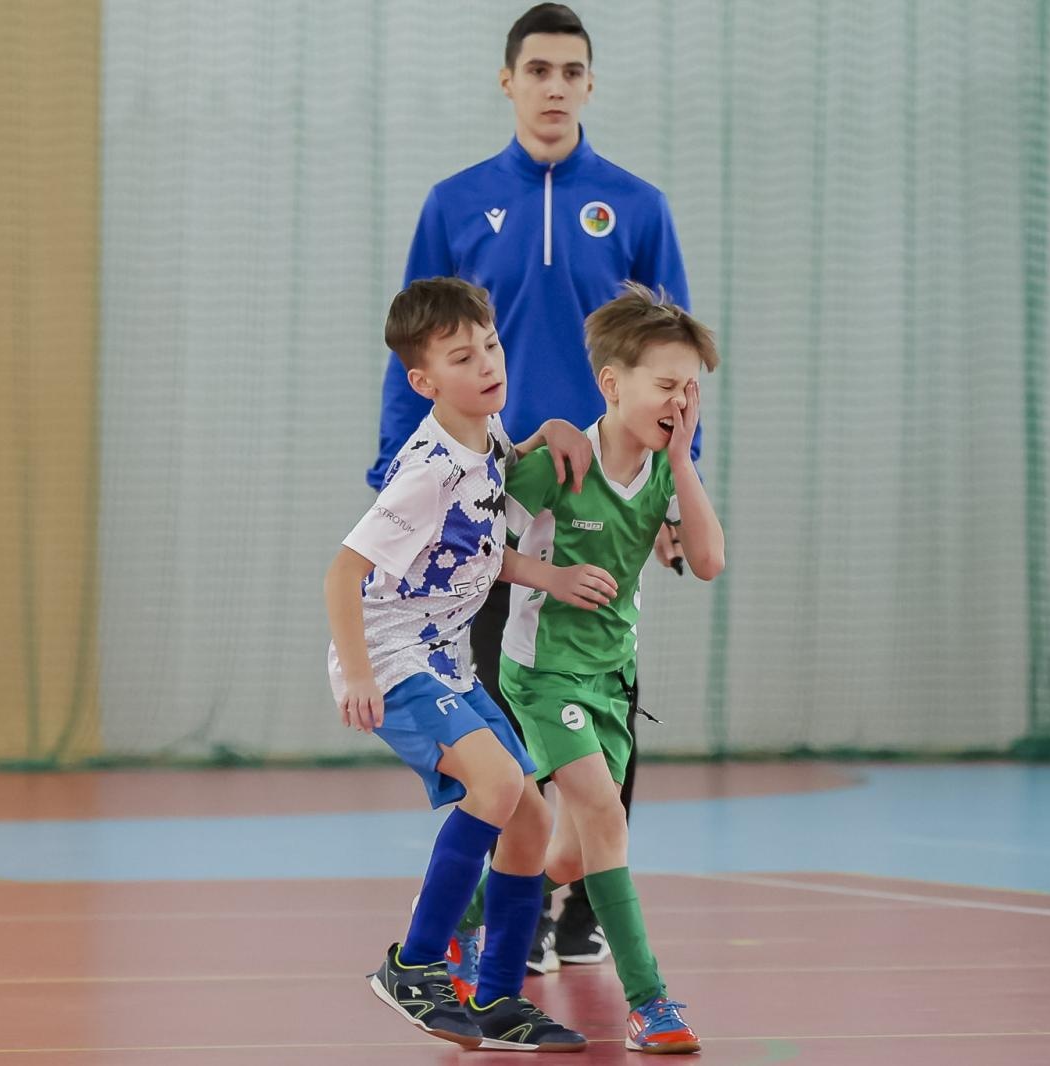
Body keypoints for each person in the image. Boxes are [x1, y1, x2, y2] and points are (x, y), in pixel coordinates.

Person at [368, 2, 694, 978]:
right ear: (508, 81)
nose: (555, 86)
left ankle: (582, 902)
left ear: (590, 85)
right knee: (494, 691)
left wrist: (677, 492)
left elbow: (674, 361)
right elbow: (412, 347)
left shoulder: (636, 206)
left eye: (572, 71)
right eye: (538, 70)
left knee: (596, 687)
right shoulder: (456, 203)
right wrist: (393, 469)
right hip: (495, 485)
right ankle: (499, 903)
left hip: (606, 491)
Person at [326, 277, 617, 1051]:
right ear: (425, 382)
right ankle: (413, 964)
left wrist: (550, 567)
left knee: (531, 816)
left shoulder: (487, 440)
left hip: (444, 659)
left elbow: (479, 552)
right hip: (391, 658)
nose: (487, 363)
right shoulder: (428, 471)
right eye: (462, 357)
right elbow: (343, 572)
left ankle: (497, 999)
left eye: (490, 345)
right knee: (496, 786)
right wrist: (358, 674)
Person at [500, 283, 724, 1052]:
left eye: (691, 390)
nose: (680, 402)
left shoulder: (664, 471)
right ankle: (649, 1002)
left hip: (611, 679)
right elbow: (472, 550)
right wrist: (551, 577)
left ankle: (464, 922)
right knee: (604, 817)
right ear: (612, 383)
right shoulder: (559, 464)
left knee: (567, 854)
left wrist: (683, 461)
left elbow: (708, 560)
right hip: (543, 673)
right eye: (666, 386)